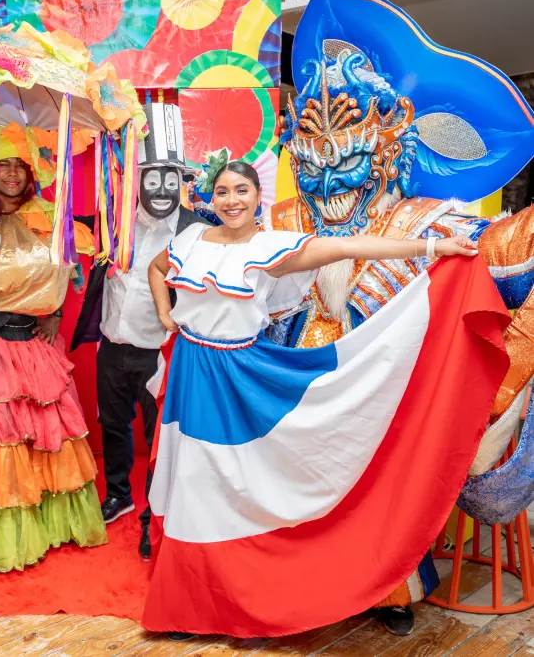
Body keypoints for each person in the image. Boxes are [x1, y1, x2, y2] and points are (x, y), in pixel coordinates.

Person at [142, 161, 491, 641]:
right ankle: (187, 599)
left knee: (224, 483)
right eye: (222, 191)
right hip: (189, 371)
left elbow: (349, 245)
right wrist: (166, 314)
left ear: (256, 195)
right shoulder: (191, 240)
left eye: (241, 190)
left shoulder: (271, 247)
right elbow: (156, 268)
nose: (231, 200)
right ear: (211, 198)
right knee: (191, 482)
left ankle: (232, 593)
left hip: (237, 377)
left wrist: (434, 246)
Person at [0, 154, 107, 573]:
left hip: (30, 342)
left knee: (47, 434)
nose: (13, 174)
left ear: (31, 174)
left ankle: (48, 527)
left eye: (21, 165)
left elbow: (63, 271)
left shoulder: (47, 215)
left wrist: (53, 313)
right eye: (4, 165)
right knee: (1, 438)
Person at [72, 103, 208, 560]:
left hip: (161, 353)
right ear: (137, 178)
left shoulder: (196, 231)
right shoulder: (114, 218)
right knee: (112, 424)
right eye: (152, 177)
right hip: (113, 346)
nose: (162, 188)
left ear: (182, 181)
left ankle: (155, 515)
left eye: (171, 178)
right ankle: (118, 493)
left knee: (159, 437)